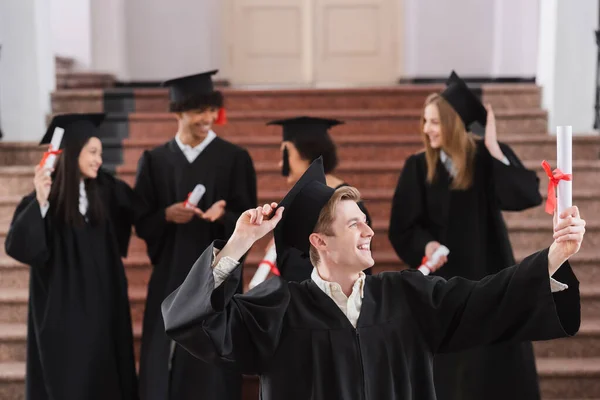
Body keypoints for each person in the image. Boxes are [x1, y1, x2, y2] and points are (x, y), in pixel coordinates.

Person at [161, 157, 583, 400]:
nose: (368, 232)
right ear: (319, 241)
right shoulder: (279, 309)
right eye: (353, 225)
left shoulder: (407, 297)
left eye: (366, 222)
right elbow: (193, 322)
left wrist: (553, 257)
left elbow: (486, 298)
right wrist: (238, 243)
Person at [387, 71, 546, 400]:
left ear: (454, 124)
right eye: (425, 121)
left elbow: (526, 195)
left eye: (435, 122)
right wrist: (426, 244)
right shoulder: (417, 167)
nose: (427, 129)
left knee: (491, 370)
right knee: (448, 371)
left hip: (488, 274)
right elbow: (402, 227)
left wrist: (492, 146)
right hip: (442, 285)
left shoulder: (485, 160)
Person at [134, 69, 257, 400]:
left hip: (215, 274)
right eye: (198, 111)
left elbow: (251, 219)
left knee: (212, 364)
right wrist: (165, 215)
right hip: (171, 271)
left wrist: (225, 216)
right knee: (164, 355)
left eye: (211, 110)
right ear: (178, 112)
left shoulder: (234, 158)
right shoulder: (154, 161)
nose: (208, 118)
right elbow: (142, 223)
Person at [5, 113, 138, 400]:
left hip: (103, 308)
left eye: (100, 153)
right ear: (73, 151)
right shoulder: (43, 200)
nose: (98, 160)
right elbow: (20, 246)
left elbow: (140, 209)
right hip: (63, 313)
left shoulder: (105, 192)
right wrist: (41, 199)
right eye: (92, 152)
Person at [255, 116, 373, 284]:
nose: (281, 164)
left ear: (305, 153)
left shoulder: (344, 205)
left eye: (286, 152)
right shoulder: (314, 200)